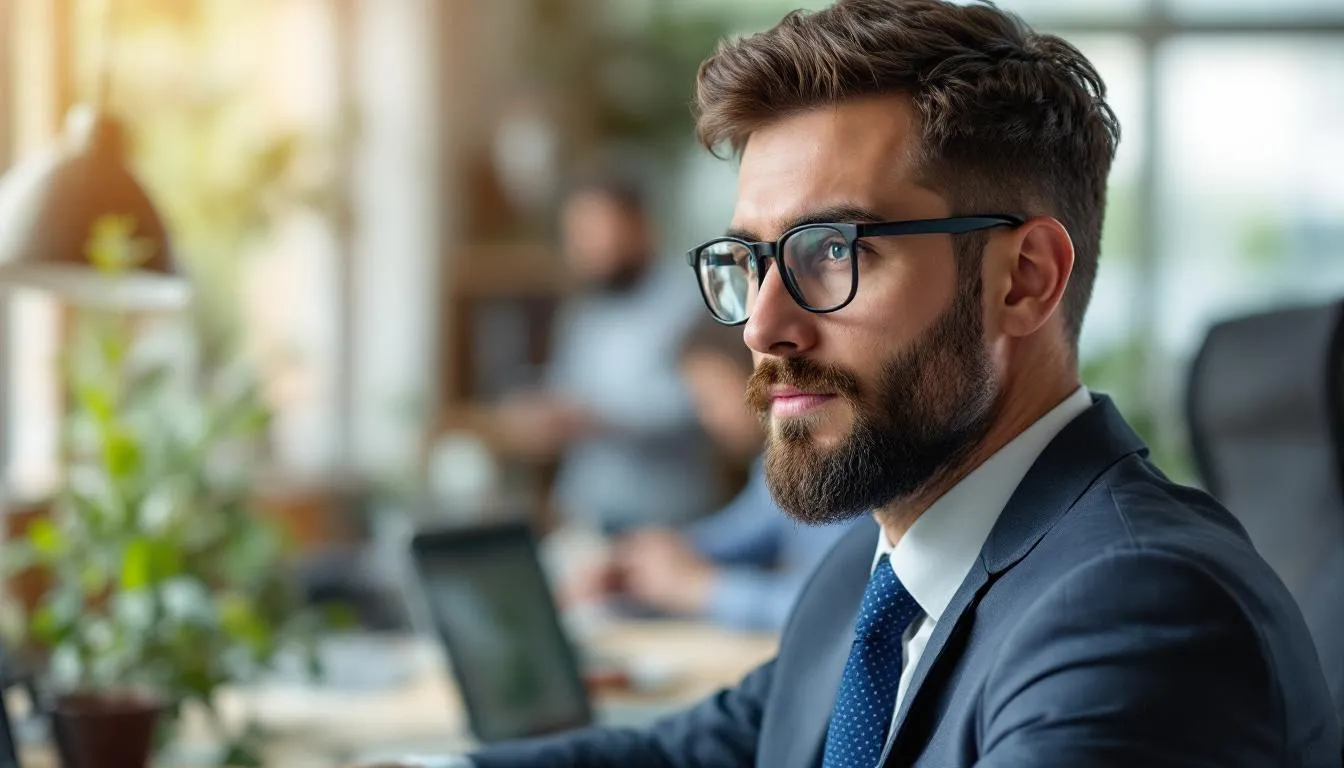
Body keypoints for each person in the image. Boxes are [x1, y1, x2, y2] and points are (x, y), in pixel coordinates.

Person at [430, 1, 1343, 765]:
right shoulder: (874, 572)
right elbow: (696, 751)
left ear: (1023, 279)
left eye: (832, 251)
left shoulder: (1135, 615)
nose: (761, 325)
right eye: (750, 260)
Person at [567, 318, 856, 631]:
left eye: (712, 397)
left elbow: (841, 612)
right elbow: (737, 534)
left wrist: (702, 589)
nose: (706, 416)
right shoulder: (771, 469)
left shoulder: (842, 462)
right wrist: (638, 561)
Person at [494, 174, 720, 530]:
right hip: (583, 509)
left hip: (667, 518)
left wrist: (599, 418)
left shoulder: (689, 302)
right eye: (577, 233)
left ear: (639, 225)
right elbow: (565, 388)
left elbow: (708, 404)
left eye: (598, 229)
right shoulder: (583, 313)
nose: (587, 246)